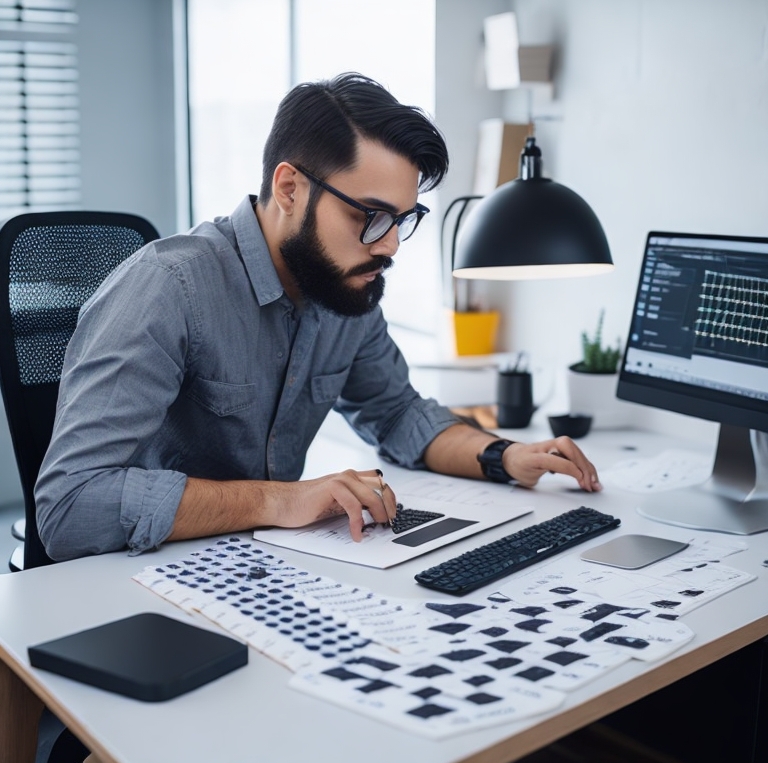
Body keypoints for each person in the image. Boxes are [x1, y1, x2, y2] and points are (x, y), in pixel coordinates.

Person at [35, 73, 601, 561]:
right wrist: (282, 499)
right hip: (134, 581)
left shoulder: (343, 286)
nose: (391, 246)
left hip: (265, 565)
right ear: (289, 188)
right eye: (372, 216)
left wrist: (505, 455)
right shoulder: (167, 287)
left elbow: (398, 413)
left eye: (403, 220)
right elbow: (69, 507)